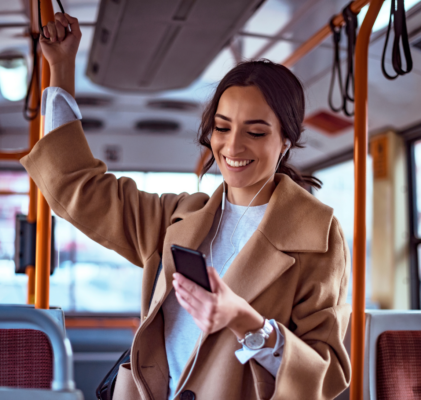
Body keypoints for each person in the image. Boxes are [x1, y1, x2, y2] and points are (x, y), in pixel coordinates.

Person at [22, 12, 351, 400]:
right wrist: (61, 68)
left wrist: (247, 322)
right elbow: (77, 185)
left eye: (256, 132)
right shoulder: (176, 217)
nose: (233, 147)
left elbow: (326, 372)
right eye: (222, 127)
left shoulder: (317, 236)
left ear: (286, 141)